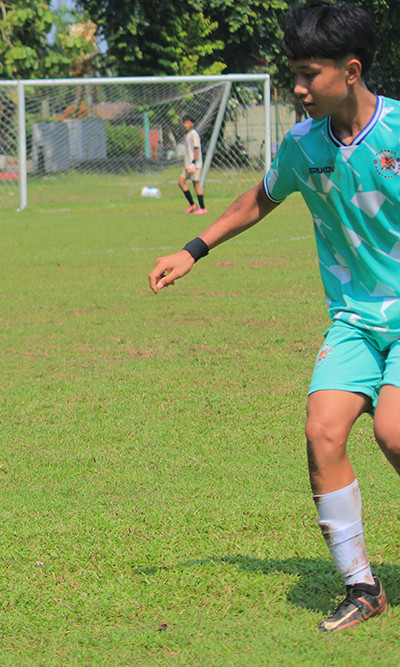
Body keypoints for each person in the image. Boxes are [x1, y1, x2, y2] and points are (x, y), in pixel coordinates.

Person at [149, 2, 393, 633]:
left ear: (352, 69)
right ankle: (362, 586)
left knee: (393, 433)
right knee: (323, 430)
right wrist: (192, 249)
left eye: (310, 73)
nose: (299, 87)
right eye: (294, 73)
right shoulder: (304, 144)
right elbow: (262, 197)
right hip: (354, 320)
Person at [178, 116, 207, 214]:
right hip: (187, 165)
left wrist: (194, 163)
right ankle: (192, 205)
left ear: (192, 124)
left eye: (188, 123)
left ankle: (203, 208)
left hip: (194, 165)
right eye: (184, 123)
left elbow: (197, 148)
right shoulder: (187, 134)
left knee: (196, 184)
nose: (186, 125)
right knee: (181, 182)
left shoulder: (194, 134)